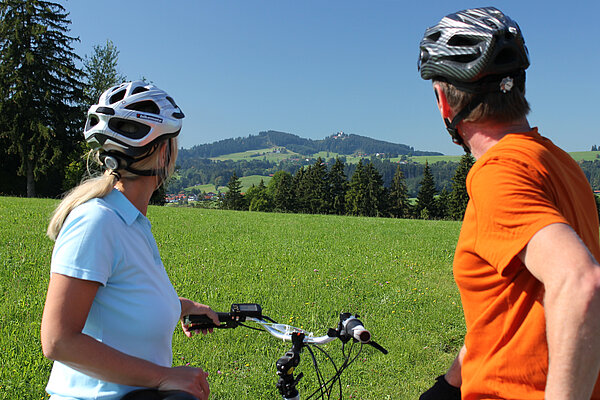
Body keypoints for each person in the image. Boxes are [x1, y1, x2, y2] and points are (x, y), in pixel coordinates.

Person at [416, 7, 600, 400]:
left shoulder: (499, 174)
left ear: (444, 103)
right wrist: (451, 384)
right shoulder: (560, 162)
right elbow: (510, 307)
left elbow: (582, 282)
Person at [41, 81, 220, 400]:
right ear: (164, 151)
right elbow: (58, 340)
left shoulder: (131, 223)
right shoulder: (96, 221)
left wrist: (182, 307)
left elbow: (123, 300)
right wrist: (163, 377)